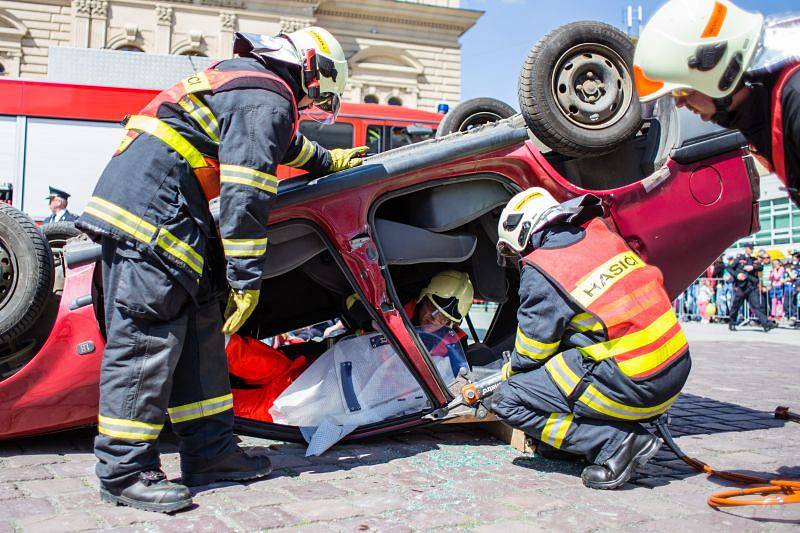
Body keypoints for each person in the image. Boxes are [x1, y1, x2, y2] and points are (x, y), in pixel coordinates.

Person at [76, 27, 367, 513]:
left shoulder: (248, 86)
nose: (312, 101)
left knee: (199, 337)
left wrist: (330, 160)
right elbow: (246, 194)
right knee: (147, 341)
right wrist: (246, 280)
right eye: (318, 92)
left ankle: (211, 454)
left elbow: (285, 145)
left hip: (169, 215)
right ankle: (124, 470)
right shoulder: (265, 95)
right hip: (153, 218)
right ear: (310, 69)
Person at [490, 188, 690, 490]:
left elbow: (532, 354)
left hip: (636, 380)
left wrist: (506, 374)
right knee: (565, 369)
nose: (518, 258)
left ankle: (617, 443)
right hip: (674, 369)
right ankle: (591, 438)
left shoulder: (545, 267)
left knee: (508, 400)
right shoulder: (602, 235)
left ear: (523, 233)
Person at [227, 270, 474, 423]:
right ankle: (204, 340)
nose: (435, 319)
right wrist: (373, 320)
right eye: (433, 308)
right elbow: (352, 298)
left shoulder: (450, 354)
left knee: (250, 409)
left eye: (445, 318)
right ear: (423, 297)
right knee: (250, 357)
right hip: (317, 366)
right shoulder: (392, 308)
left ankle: (196, 406)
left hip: (331, 400)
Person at [634, 0, 800, 208]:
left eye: (682, 91)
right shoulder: (764, 107)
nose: (680, 103)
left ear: (719, 72)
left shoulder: (794, 99)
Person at [728, 246, 776, 331]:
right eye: (750, 248)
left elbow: (761, 267)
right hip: (741, 287)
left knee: (757, 306)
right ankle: (732, 323)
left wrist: (753, 267)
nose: (752, 250)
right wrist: (737, 275)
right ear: (746, 249)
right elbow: (730, 268)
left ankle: (766, 324)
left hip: (751, 287)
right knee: (736, 306)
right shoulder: (739, 258)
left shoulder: (754, 259)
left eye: (752, 248)